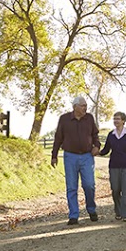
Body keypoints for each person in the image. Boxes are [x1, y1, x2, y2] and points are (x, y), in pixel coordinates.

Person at [51, 96, 101, 225]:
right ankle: (73, 215)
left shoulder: (89, 118)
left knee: (89, 185)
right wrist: (54, 155)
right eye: (83, 105)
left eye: (86, 106)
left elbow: (95, 134)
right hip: (70, 156)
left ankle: (91, 209)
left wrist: (97, 146)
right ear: (75, 107)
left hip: (87, 156)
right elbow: (58, 138)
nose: (85, 108)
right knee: (72, 187)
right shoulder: (64, 119)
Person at [99, 111, 126, 222]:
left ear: (123, 121)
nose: (116, 121)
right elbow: (106, 150)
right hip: (114, 166)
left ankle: (125, 214)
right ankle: (118, 211)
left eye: (118, 119)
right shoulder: (111, 135)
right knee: (115, 189)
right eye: (114, 119)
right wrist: (97, 152)